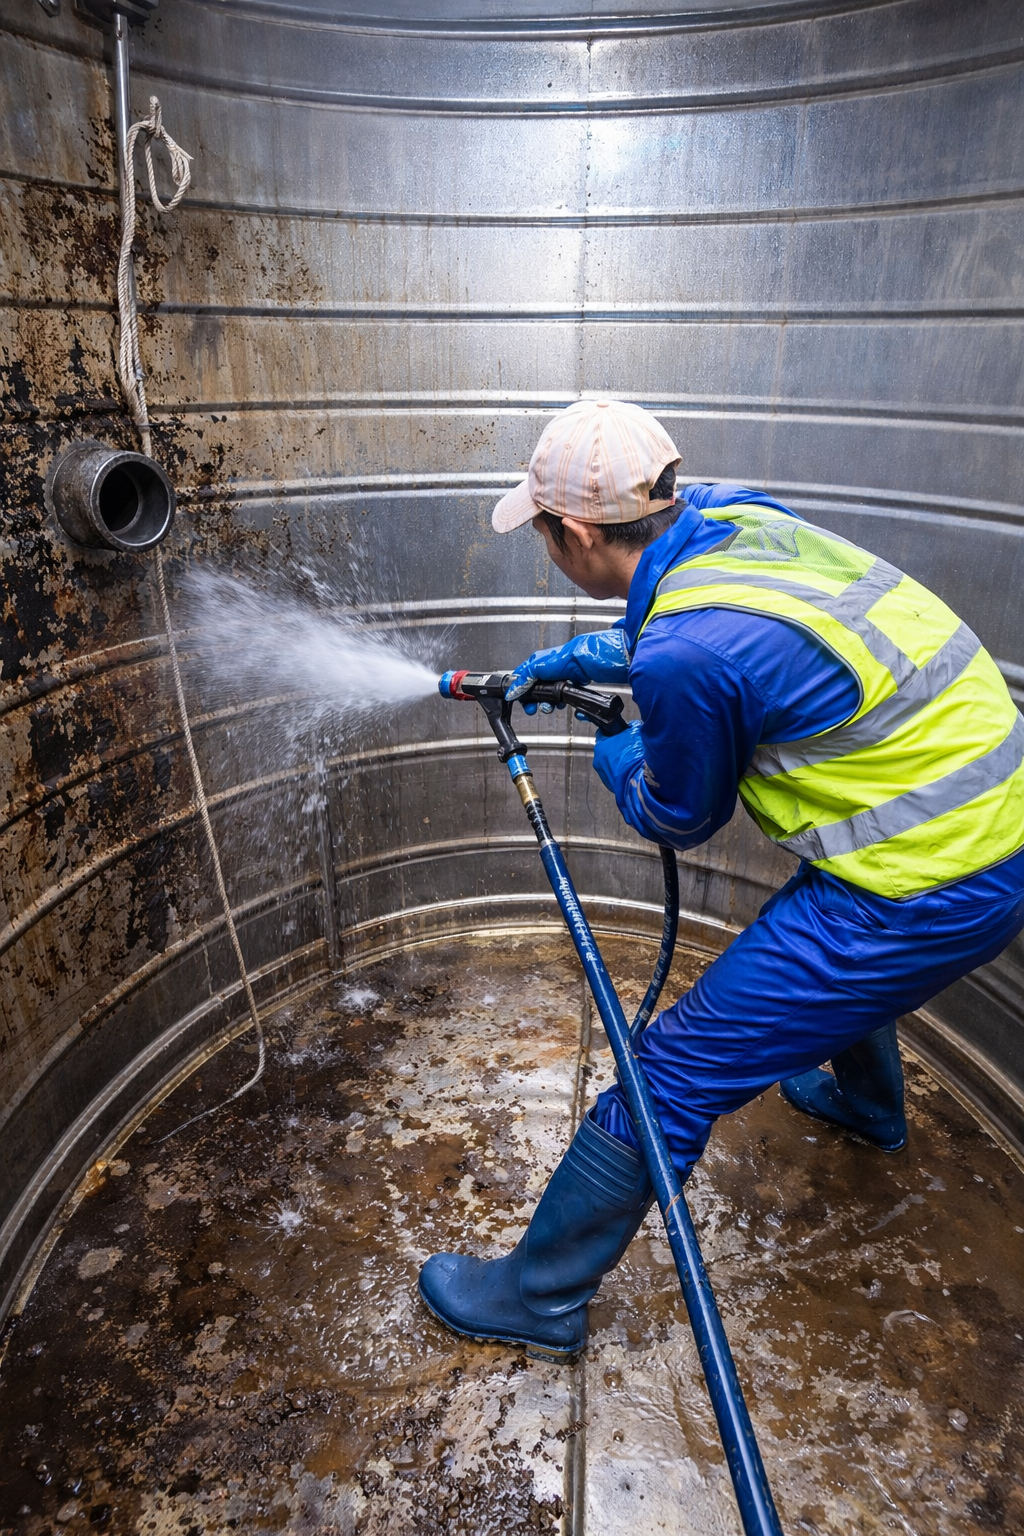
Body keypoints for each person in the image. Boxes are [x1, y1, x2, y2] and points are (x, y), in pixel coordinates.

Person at [418, 398, 1024, 1360]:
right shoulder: (736, 517)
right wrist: (599, 656)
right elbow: (736, 631)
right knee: (820, 958)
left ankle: (536, 1298)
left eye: (541, 531)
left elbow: (677, 813)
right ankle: (868, 1108)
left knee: (669, 1075)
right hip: (991, 828)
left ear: (574, 532)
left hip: (919, 888)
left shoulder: (685, 654)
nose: (545, 548)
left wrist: (617, 750)